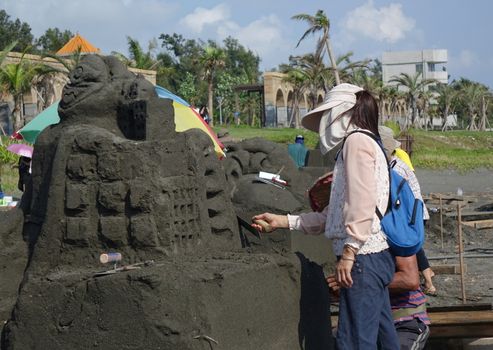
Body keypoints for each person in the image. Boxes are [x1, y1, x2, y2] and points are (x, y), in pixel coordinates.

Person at [252, 83, 400, 349]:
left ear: (342, 113)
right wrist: (284, 221)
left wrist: (349, 253)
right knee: (381, 336)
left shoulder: (356, 142)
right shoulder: (366, 141)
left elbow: (362, 203)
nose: (323, 124)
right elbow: (333, 217)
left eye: (326, 116)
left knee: (354, 341)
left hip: (363, 258)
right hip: (374, 255)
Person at [379, 126, 437, 296]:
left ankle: (427, 281)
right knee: (414, 250)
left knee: (410, 249)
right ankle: (428, 279)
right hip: (412, 213)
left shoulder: (395, 167)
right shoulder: (398, 161)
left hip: (407, 215)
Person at [327, 254, 430, 350]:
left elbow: (409, 280)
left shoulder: (393, 237)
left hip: (403, 321)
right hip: (365, 321)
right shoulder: (343, 240)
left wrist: (356, 283)